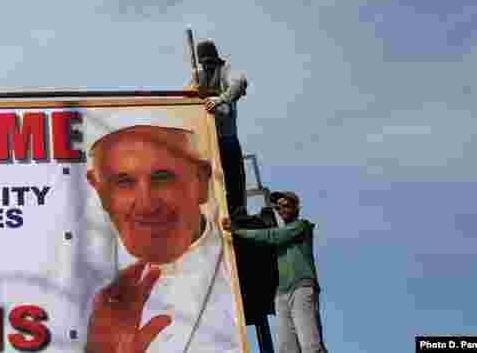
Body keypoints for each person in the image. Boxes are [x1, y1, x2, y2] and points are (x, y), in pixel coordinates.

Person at [86, 122, 241, 353]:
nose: (146, 206)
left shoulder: (238, 263)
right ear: (99, 190)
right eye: (124, 182)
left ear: (201, 181)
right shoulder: (75, 290)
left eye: (162, 178)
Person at [221, 191, 328, 353]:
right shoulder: (282, 233)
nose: (282, 210)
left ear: (296, 208)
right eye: (278, 208)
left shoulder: (301, 226)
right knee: (287, 348)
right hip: (282, 294)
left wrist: (237, 230)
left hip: (300, 287)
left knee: (310, 345)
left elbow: (272, 236)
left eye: (285, 206)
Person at [195, 39, 248, 217]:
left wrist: (220, 99)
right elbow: (187, 95)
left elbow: (239, 83)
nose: (208, 66)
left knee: (233, 177)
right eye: (204, 63)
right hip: (208, 140)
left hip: (226, 137)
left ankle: (238, 211)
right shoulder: (200, 77)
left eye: (210, 62)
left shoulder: (226, 71)